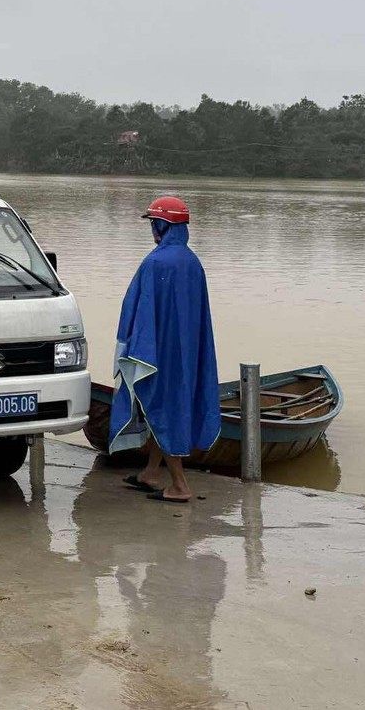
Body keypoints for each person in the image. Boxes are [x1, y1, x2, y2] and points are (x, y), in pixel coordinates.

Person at [109, 196, 220, 504]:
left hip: (159, 353)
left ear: (162, 225)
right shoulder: (192, 262)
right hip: (188, 353)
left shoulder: (156, 263)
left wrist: (132, 347)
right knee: (167, 406)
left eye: (154, 224)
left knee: (162, 407)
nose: (152, 230)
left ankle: (180, 486)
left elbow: (139, 311)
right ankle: (150, 472)